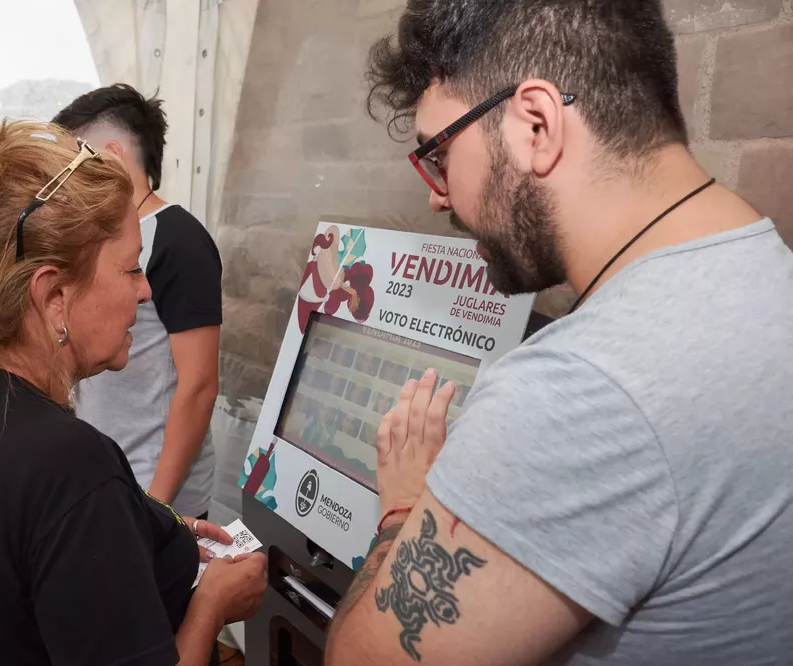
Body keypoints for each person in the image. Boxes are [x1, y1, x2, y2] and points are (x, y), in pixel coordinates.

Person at [326, 1, 793, 665]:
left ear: (536, 124)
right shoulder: (761, 267)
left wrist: (404, 507)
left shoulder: (587, 387)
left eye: (440, 151)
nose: (437, 192)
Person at [0, 121, 265, 665]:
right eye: (130, 269)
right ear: (54, 296)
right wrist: (212, 606)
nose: (146, 291)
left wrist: (141, 526)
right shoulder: (71, 466)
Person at [52, 84, 221, 520]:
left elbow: (199, 385)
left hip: (153, 484)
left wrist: (157, 505)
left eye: (71, 160)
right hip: (106, 472)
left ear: (110, 154)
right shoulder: (99, 238)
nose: (64, 177)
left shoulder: (179, 240)